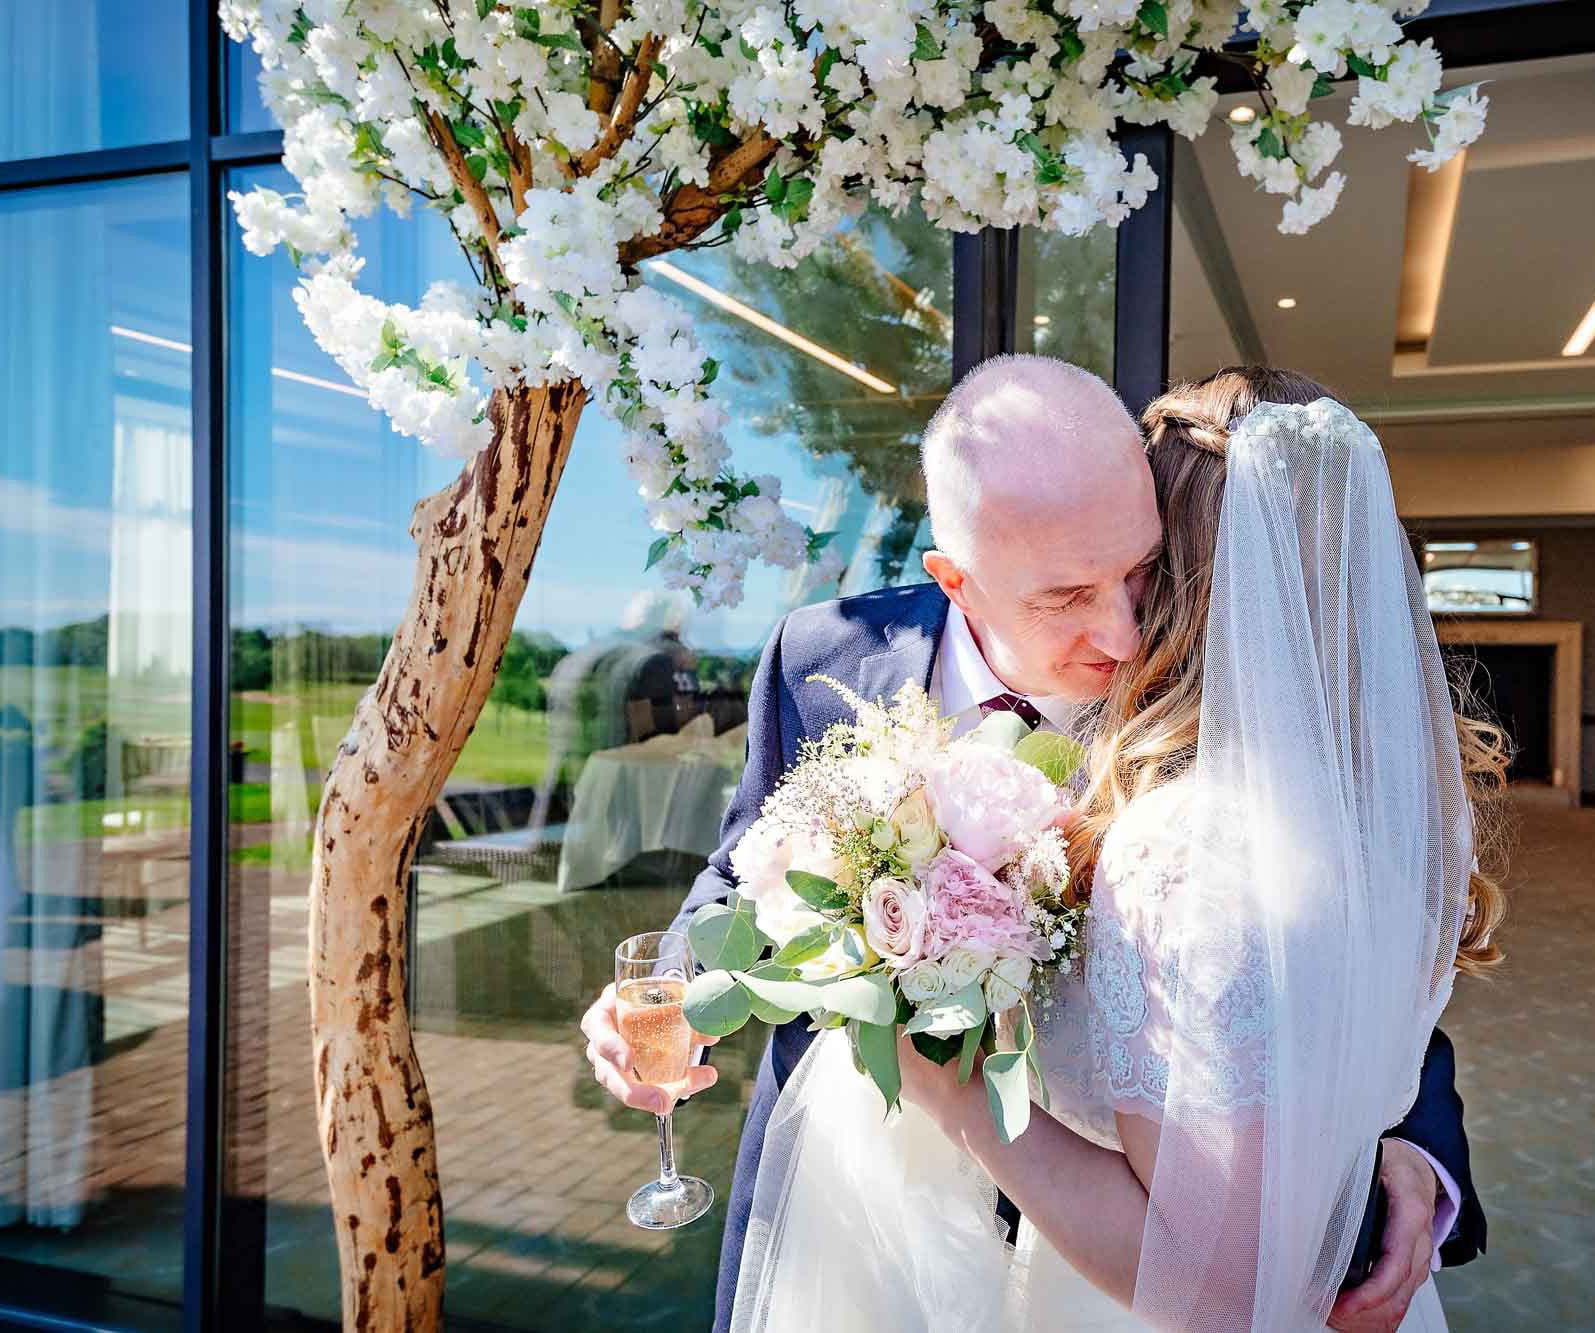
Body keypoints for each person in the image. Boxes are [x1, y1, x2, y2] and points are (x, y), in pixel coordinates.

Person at [581, 358, 1492, 1331]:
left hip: (1090, 1253)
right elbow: (746, 860)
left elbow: (1287, 970)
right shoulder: (820, 655)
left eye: (1142, 572)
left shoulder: (1210, 704)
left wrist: (1405, 1154)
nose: (1122, 632)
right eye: (1063, 595)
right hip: (850, 1215)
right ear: (955, 579)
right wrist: (679, 984)